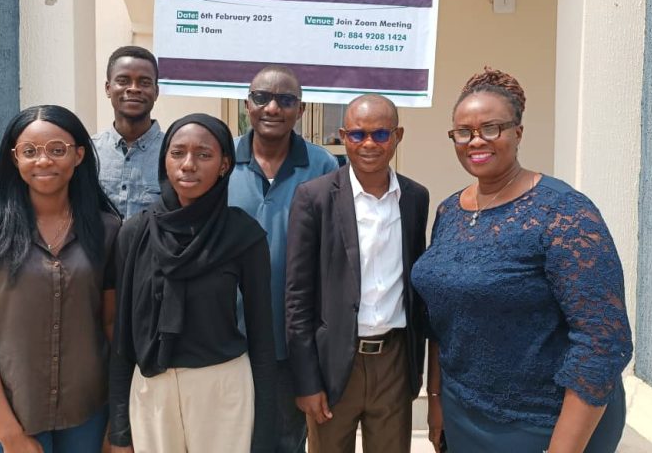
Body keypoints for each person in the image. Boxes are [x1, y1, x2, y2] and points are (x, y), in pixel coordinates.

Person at [411, 68, 633, 453]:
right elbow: (440, 322)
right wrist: (435, 399)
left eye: (491, 128)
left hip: (547, 422)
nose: (476, 140)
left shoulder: (564, 213)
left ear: (518, 132)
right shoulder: (450, 210)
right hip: (464, 412)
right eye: (463, 132)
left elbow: (603, 341)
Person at [0, 105, 121, 453]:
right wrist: (9, 433)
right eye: (30, 151)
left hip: (88, 414)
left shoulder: (108, 232)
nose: (43, 161)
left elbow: (113, 327)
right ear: (15, 159)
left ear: (78, 155)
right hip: (13, 414)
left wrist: (118, 422)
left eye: (57, 149)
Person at [108, 113, 276, 453]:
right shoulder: (135, 233)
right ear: (164, 160)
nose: (188, 165)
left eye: (203, 154)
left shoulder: (243, 235)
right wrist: (120, 431)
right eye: (177, 153)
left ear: (224, 165)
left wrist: (264, 432)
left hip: (222, 389)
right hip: (152, 390)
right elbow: (123, 337)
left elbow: (262, 336)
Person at [286, 94, 429, 453]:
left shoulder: (415, 197)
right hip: (333, 363)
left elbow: (415, 286)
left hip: (394, 360)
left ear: (397, 136)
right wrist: (306, 381)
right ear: (343, 136)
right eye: (357, 134)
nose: (369, 144)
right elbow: (297, 298)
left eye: (380, 134)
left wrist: (416, 369)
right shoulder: (314, 198)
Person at [229, 65, 338, 453]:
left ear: (301, 109)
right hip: (227, 341)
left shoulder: (323, 167)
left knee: (283, 443)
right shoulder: (221, 160)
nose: (272, 108)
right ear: (247, 104)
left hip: (291, 344)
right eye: (262, 98)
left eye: (286, 100)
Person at [93, 45, 163, 220]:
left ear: (156, 92)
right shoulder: (89, 151)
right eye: (123, 81)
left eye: (144, 82)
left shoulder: (173, 152)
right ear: (108, 88)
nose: (134, 88)